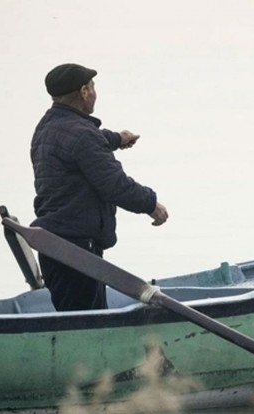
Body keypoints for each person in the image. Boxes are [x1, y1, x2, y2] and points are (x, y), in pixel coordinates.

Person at [31, 63, 169, 312]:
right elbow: (115, 186)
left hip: (55, 246)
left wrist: (117, 138)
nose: (95, 92)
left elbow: (81, 140)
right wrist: (151, 204)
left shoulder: (46, 127)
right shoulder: (83, 136)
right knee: (85, 324)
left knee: (75, 318)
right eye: (93, 87)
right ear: (84, 92)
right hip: (77, 252)